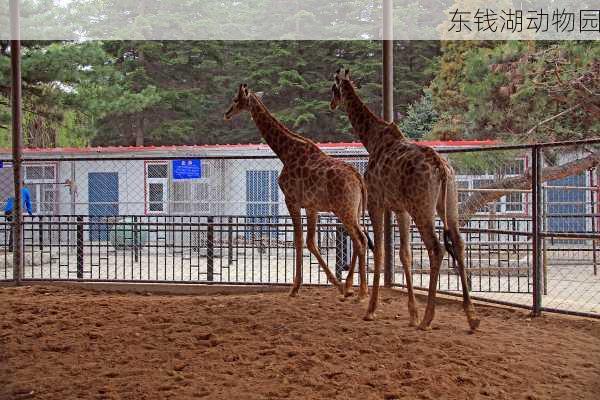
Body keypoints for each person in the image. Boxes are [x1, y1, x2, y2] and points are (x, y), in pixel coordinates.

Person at [4, 187, 33, 252]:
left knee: (14, 227)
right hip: (14, 211)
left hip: (7, 211)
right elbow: (28, 203)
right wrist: (30, 212)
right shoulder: (26, 191)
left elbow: (9, 201)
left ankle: (13, 246)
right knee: (15, 228)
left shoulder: (15, 190)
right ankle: (15, 247)